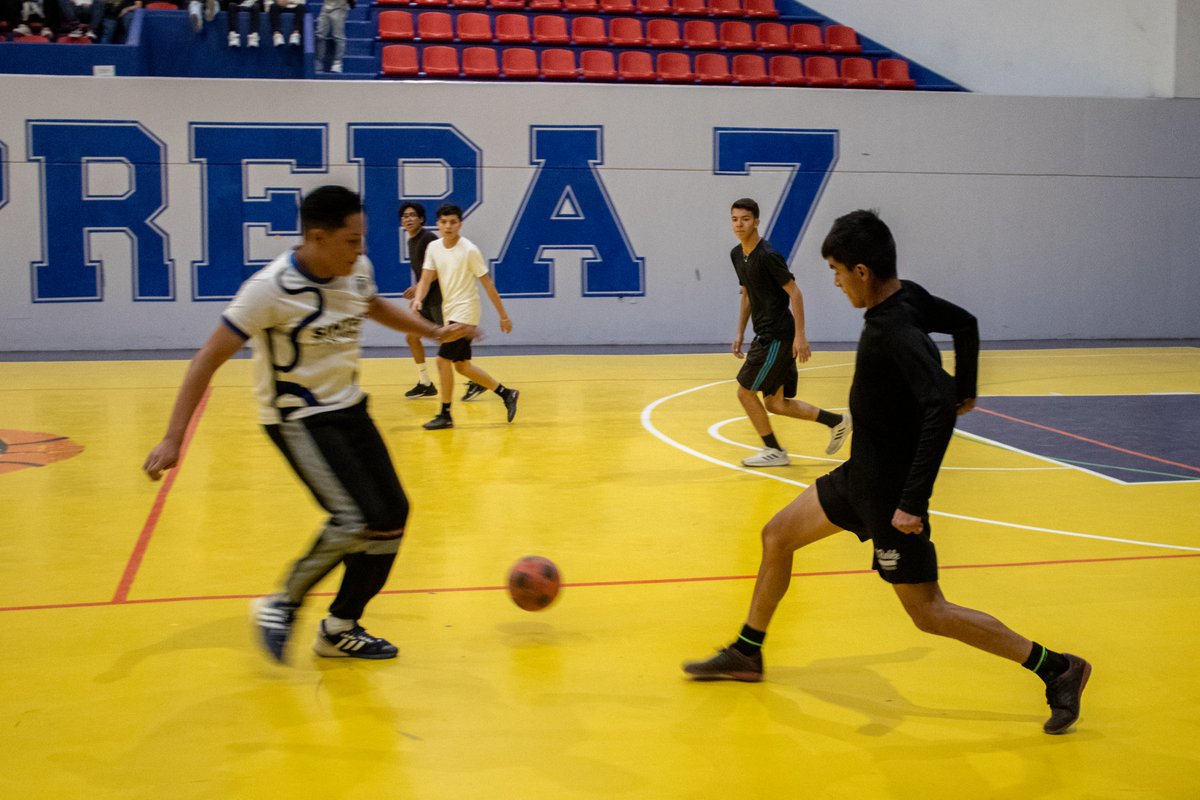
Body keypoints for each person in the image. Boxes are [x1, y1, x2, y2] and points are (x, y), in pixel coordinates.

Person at [684, 209, 1091, 736]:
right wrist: (967, 384)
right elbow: (965, 324)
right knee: (777, 535)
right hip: (859, 477)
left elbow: (938, 408)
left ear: (861, 271)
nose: (832, 281)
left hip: (889, 497)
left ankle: (1058, 668)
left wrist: (913, 503)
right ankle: (747, 652)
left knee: (929, 613)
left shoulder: (893, 329)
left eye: (835, 270)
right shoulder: (909, 297)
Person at [142, 186, 471, 663]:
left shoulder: (354, 269)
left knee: (392, 517)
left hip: (350, 409)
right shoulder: (269, 289)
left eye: (362, 240)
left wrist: (434, 331)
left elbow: (372, 304)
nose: (361, 251)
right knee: (352, 520)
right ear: (317, 237)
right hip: (297, 419)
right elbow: (206, 360)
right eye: (351, 240)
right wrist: (173, 438)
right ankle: (283, 602)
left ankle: (339, 627)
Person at [728, 198, 850, 467]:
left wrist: (800, 335)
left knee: (745, 393)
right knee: (775, 403)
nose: (739, 224)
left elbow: (795, 292)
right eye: (735, 219)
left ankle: (774, 451)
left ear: (757, 221)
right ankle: (838, 421)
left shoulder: (768, 255)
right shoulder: (738, 255)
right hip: (764, 335)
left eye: (745, 219)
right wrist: (739, 331)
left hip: (776, 337)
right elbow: (747, 293)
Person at [412, 203, 518, 431]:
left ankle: (445, 414)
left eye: (453, 222)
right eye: (443, 222)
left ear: (460, 224)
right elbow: (425, 278)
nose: (448, 226)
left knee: (441, 361)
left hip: (467, 312)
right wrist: (419, 298)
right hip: (450, 312)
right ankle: (507, 393)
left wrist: (503, 316)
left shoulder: (469, 250)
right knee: (461, 366)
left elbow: (488, 284)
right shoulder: (433, 248)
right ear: (438, 224)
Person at [398, 202, 441, 399]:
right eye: (405, 216)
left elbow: (439, 270)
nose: (408, 218)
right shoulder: (411, 241)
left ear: (421, 219)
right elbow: (424, 271)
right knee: (412, 336)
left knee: (450, 341)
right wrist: (418, 293)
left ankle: (475, 380)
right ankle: (425, 383)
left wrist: (418, 290)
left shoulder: (429, 238)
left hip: (439, 298)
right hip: (425, 299)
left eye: (412, 215)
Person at [313, 0, 351, 73]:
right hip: (325, 8)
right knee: (319, 35)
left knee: (338, 36)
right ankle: (318, 62)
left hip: (339, 8)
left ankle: (337, 63)